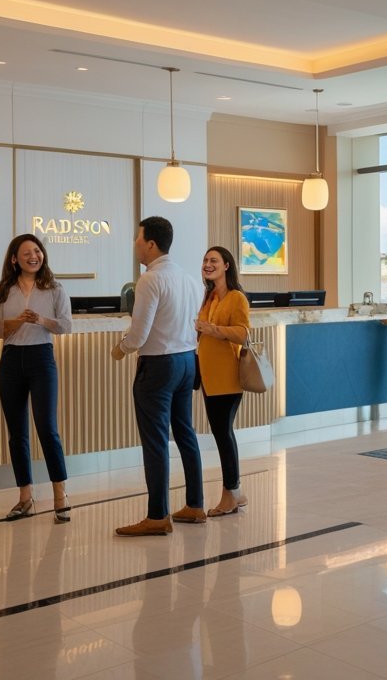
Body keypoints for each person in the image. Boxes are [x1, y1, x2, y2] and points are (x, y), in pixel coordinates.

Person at [111, 216, 205, 536]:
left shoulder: (150, 280)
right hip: (187, 361)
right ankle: (195, 504)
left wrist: (121, 348)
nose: (135, 244)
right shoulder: (189, 279)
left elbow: (139, 334)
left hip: (158, 366)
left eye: (138, 238)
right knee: (185, 433)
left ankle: (157, 515)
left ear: (151, 244)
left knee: (155, 441)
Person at [0, 233, 73, 523]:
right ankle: (25, 498)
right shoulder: (3, 289)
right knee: (17, 433)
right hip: (11, 360)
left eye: (37, 251)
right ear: (14, 259)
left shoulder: (54, 288)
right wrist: (15, 322)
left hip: (41, 358)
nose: (34, 256)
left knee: (47, 428)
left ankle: (60, 495)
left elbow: (66, 326)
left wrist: (41, 320)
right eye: (26, 253)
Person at [194, 246, 251, 517]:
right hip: (209, 376)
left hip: (227, 377)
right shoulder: (210, 296)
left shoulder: (236, 297)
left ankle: (231, 493)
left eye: (213, 260)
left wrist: (213, 329)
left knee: (223, 435)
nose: (208, 264)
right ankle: (236, 492)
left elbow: (243, 333)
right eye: (205, 260)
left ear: (226, 265)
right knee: (222, 433)